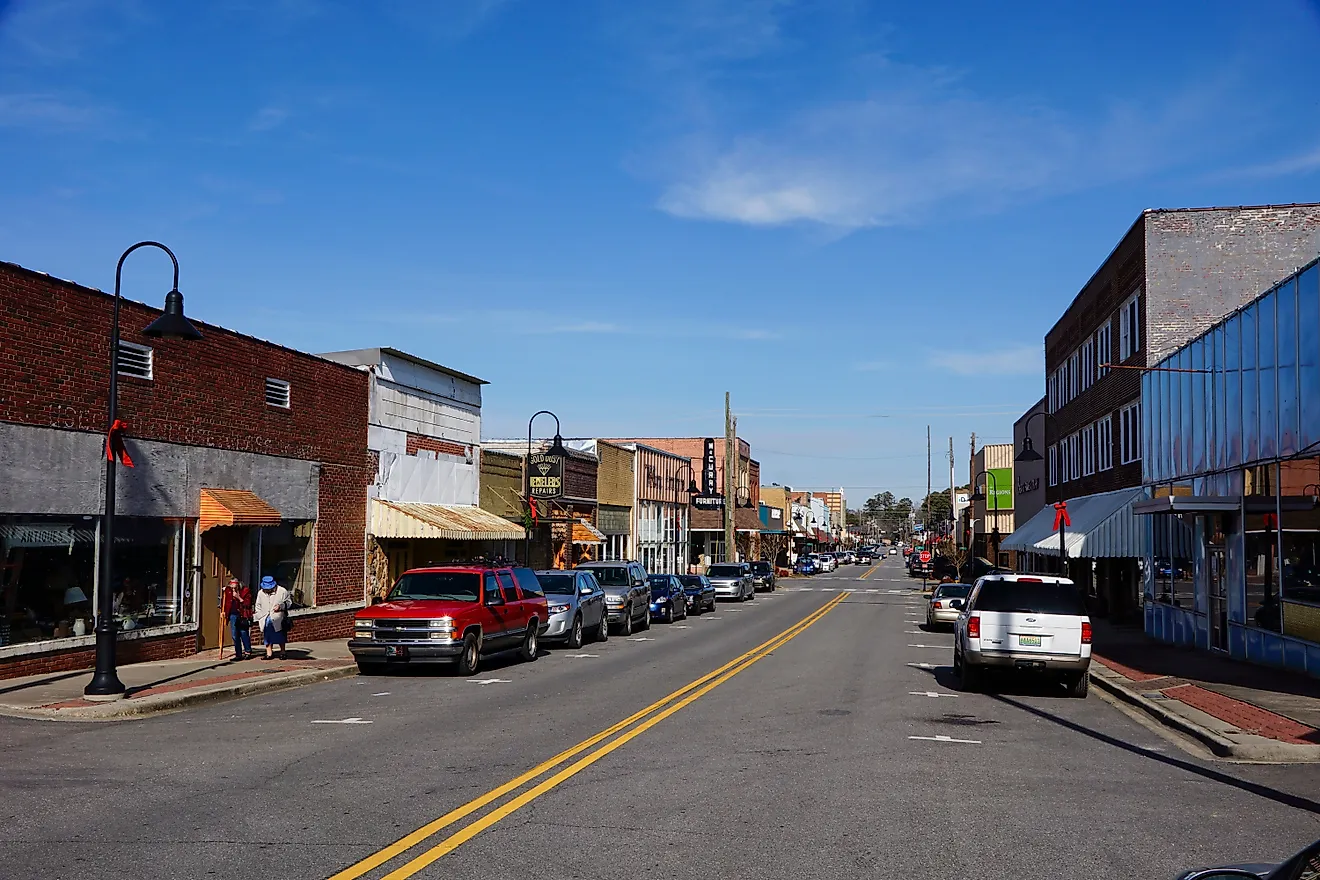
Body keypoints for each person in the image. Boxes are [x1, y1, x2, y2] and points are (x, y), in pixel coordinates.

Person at [254, 575, 292, 661]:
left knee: (280, 635)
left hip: (278, 617)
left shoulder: (282, 591)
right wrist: (259, 615)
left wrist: (281, 606)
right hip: (265, 617)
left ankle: (282, 652)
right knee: (267, 636)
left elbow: (289, 603)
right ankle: (269, 653)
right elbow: (258, 605)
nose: (267, 590)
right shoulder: (261, 593)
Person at [221, 578, 253, 661]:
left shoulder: (245, 591)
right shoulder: (228, 591)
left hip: (242, 614)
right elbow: (225, 601)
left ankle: (247, 652)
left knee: (243, 633)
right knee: (235, 635)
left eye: (235, 588)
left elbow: (248, 604)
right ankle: (238, 654)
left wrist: (238, 597)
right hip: (232, 615)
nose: (233, 589)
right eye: (232, 588)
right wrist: (223, 611)